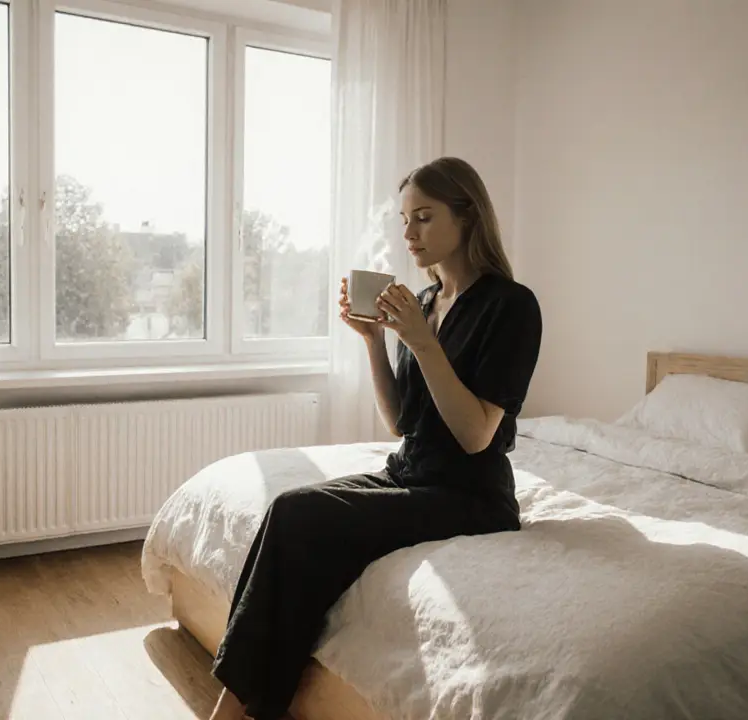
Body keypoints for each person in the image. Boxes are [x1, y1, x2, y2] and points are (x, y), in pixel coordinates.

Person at [209, 157, 544, 720]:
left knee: (302, 516)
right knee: (289, 512)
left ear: (467, 217)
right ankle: (247, 697)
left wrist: (421, 342)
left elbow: (475, 435)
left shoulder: (510, 306)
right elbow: (399, 422)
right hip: (408, 472)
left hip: (470, 495)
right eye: (404, 219)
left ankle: (238, 707)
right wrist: (372, 340)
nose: (408, 233)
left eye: (424, 217)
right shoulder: (427, 302)